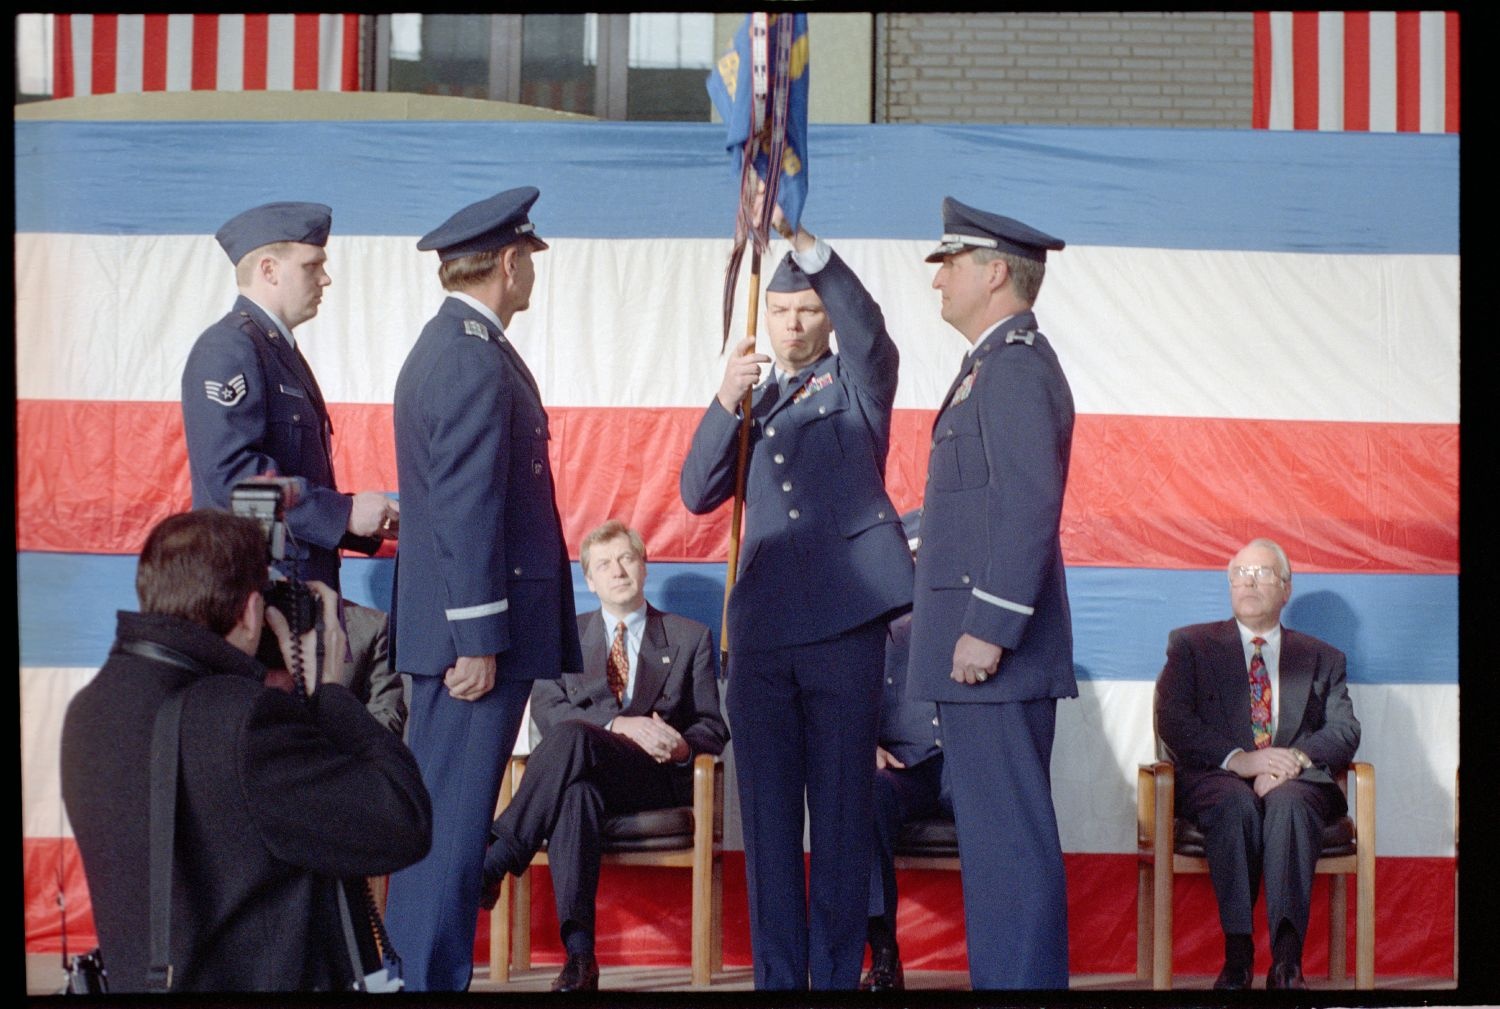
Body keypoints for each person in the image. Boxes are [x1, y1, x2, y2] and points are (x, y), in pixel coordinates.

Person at [680, 197, 913, 990]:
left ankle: (835, 976)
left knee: (842, 822)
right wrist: (722, 399)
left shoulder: (857, 383)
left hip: (843, 630)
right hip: (762, 638)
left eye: (805, 309)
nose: (790, 324)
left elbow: (872, 329)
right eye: (778, 310)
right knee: (771, 826)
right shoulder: (755, 398)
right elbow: (694, 491)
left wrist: (804, 246)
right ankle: (779, 978)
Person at [59, 510, 431, 992]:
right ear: (252, 610)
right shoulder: (243, 721)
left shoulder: (91, 709)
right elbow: (402, 822)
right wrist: (333, 695)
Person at [385, 187, 584, 991]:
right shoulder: (470, 355)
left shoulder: (461, 347)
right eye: (527, 259)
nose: (530, 272)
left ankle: (416, 976)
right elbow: (468, 507)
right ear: (508, 262)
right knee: (452, 831)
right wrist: (477, 639)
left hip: (472, 635)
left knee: (447, 827)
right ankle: (423, 981)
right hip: (473, 646)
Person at [906, 197, 1075, 989]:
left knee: (1011, 851)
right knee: (996, 854)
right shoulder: (991, 364)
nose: (937, 277)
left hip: (993, 656)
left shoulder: (1013, 366)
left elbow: (1030, 503)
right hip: (980, 657)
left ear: (997, 270)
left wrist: (990, 629)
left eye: (952, 261)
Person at [480, 520, 729, 991]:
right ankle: (580, 960)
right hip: (582, 772)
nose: (617, 571)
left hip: (652, 778)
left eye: (626, 559)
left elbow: (713, 727)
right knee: (576, 795)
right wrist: (616, 725)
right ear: (589, 579)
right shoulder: (564, 636)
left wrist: (681, 745)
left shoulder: (689, 636)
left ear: (644, 566)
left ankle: (497, 856)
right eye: (603, 564)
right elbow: (548, 711)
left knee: (575, 736)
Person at [1155, 538, 1360, 990]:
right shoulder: (1191, 645)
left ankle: (1287, 964)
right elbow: (1173, 719)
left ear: (1286, 589)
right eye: (1240, 574)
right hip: (1216, 779)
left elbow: (1344, 730)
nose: (1249, 582)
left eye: (1263, 573)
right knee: (1234, 804)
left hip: (1296, 783)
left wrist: (1293, 761)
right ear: (1229, 584)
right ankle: (1239, 958)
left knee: (1288, 804)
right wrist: (1241, 760)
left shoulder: (1323, 657)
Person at [180, 201, 397, 591]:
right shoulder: (230, 348)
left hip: (293, 585)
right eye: (312, 266)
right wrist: (343, 513)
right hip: (258, 591)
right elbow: (235, 480)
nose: (325, 279)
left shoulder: (276, 350)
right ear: (269, 269)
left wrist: (359, 519)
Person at [861, 515, 949, 993]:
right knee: (865, 794)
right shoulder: (872, 627)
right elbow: (845, 704)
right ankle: (884, 951)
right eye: (912, 554)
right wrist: (865, 746)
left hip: (965, 766)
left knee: (1000, 807)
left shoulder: (975, 618)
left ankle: (1004, 958)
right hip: (904, 768)